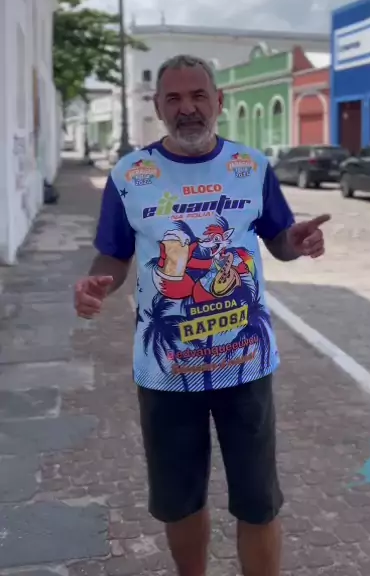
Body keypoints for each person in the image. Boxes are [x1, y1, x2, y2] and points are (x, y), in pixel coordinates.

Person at [74, 54, 330, 576]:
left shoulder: (250, 167)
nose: (187, 108)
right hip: (167, 370)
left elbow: (278, 240)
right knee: (180, 501)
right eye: (174, 98)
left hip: (246, 365)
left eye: (198, 96)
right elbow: (113, 255)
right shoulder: (130, 175)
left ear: (219, 101)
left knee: (258, 501)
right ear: (157, 106)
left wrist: (296, 241)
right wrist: (98, 282)